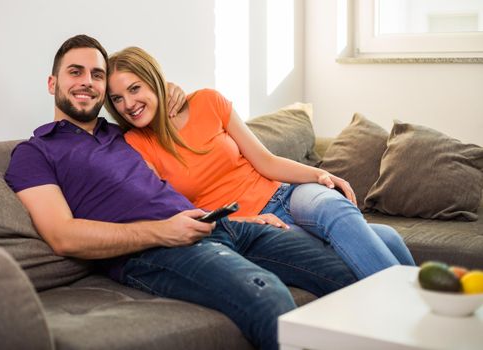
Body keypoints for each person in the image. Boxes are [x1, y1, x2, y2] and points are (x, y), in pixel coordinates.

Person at [4, 34, 358, 350]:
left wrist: (167, 88)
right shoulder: (35, 153)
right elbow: (63, 236)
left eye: (97, 75)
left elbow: (156, 105)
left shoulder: (121, 134)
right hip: (155, 252)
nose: (87, 82)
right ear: (52, 83)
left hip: (219, 225)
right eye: (75, 72)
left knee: (344, 273)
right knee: (267, 295)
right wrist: (163, 231)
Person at [105, 46, 416, 280]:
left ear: (154, 81)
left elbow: (265, 160)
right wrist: (241, 223)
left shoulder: (207, 101)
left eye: (135, 89)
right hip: (255, 224)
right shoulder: (135, 145)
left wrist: (320, 173)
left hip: (288, 195)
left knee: (334, 207)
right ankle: (417, 315)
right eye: (117, 99)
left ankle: (406, 311)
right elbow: (175, 212)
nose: (129, 104)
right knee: (387, 238)